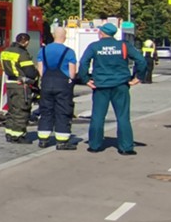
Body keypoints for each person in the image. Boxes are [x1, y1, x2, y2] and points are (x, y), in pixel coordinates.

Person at [76, 22, 147, 154]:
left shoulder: (94, 46)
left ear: (102, 33)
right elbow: (141, 61)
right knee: (123, 116)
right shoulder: (124, 45)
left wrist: (85, 79)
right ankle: (126, 147)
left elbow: (84, 62)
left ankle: (95, 145)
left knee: (98, 116)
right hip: (121, 85)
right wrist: (138, 77)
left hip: (101, 85)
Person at [34, 26, 79, 149]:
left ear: (53, 36)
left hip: (47, 82)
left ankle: (43, 139)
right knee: (62, 111)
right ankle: (62, 141)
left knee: (46, 110)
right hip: (62, 84)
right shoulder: (69, 52)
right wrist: (70, 81)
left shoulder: (42, 51)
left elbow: (40, 69)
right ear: (64, 37)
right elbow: (72, 72)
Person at [0, 31, 39, 142]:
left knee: (12, 110)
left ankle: (10, 133)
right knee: (21, 110)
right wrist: (36, 74)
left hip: (10, 84)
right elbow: (30, 72)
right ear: (26, 42)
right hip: (21, 84)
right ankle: (18, 135)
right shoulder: (22, 53)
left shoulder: (5, 51)